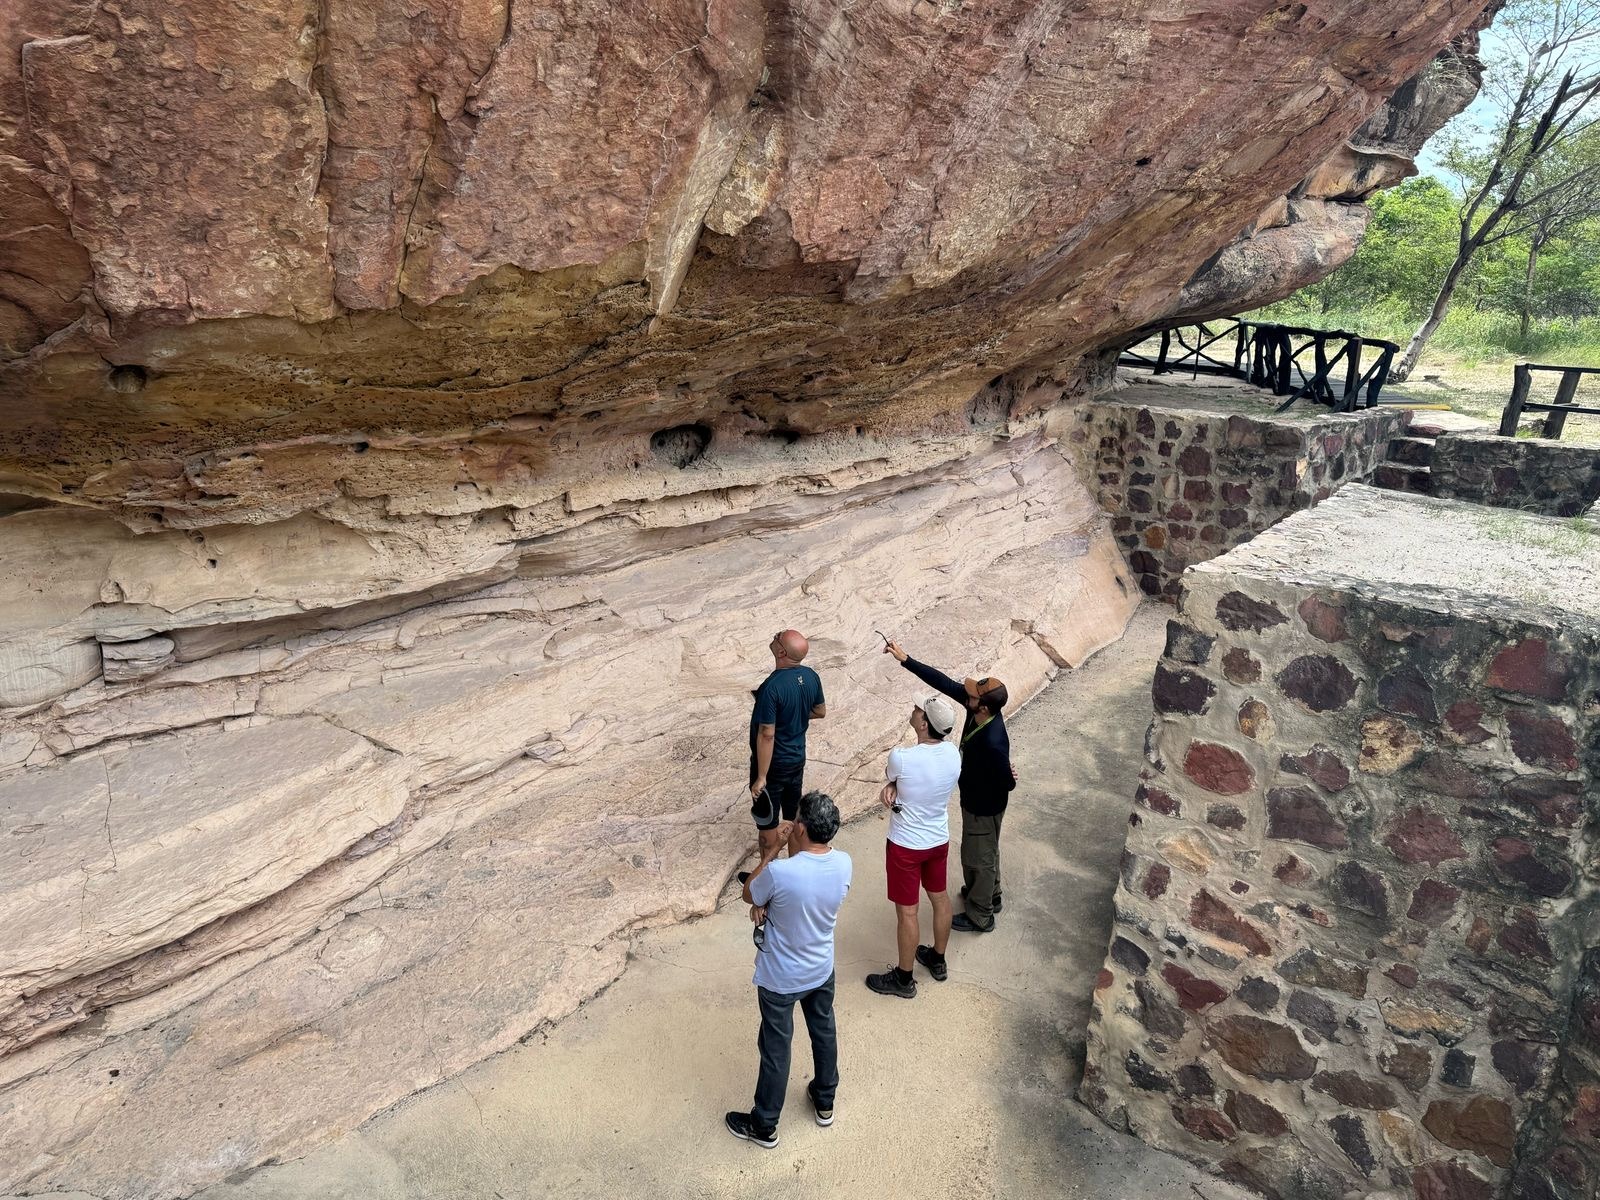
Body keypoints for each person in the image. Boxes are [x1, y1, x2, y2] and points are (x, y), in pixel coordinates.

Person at [726, 791, 853, 1149]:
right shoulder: (844, 863)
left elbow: (750, 892)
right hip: (820, 968)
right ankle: (824, 1099)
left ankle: (765, 1124)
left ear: (799, 826)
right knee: (824, 1031)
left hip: (781, 977)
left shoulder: (781, 873)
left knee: (776, 1048)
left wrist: (772, 850)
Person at [883, 639, 1014, 932]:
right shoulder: (979, 711)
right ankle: (991, 895)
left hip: (983, 804)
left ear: (982, 706)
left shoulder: (994, 740)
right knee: (987, 849)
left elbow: (1007, 781)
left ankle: (981, 915)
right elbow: (943, 683)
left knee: (977, 856)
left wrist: (1006, 774)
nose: (964, 693)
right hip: (980, 800)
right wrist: (906, 659)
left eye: (971, 695)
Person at [865, 695, 962, 998]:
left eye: (919, 710)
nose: (915, 710)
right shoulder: (953, 754)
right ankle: (938, 958)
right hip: (937, 840)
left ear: (923, 723)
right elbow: (905, 782)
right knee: (940, 898)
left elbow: (895, 777)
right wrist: (895, 786)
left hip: (906, 845)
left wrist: (891, 786)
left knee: (907, 913)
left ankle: (904, 979)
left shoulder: (901, 757)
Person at [743, 629, 826, 878]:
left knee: (768, 825)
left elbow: (767, 734)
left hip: (774, 766)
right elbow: (820, 711)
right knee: (792, 818)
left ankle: (765, 880)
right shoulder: (811, 676)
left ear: (781, 652)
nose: (774, 635)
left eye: (777, 636)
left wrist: (761, 776)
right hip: (796, 761)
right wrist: (794, 714)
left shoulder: (772, 687)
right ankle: (794, 876)